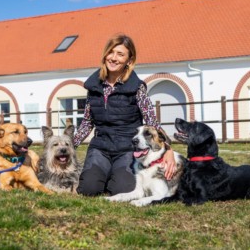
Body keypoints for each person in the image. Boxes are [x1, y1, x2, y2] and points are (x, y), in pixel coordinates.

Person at [73, 33, 177, 196]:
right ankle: (101, 174)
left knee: (122, 190)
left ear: (129, 60)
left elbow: (152, 121)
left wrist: (168, 150)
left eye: (120, 54)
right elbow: (87, 123)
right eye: (111, 52)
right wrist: (69, 145)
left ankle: (113, 176)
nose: (113, 58)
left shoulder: (137, 88)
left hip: (128, 148)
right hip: (100, 147)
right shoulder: (93, 87)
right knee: (88, 189)